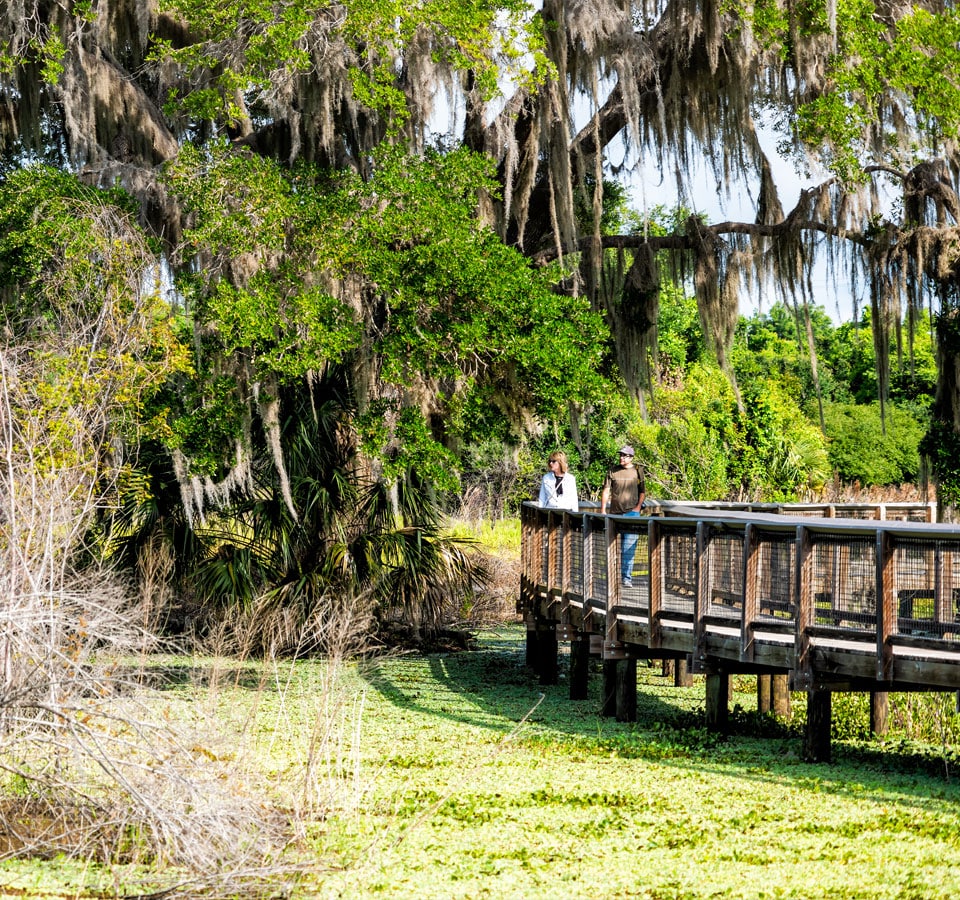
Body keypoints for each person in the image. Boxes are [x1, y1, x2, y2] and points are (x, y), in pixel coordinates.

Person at [600, 444, 646, 587]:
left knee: (628, 548)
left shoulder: (638, 471)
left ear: (631, 457)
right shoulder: (612, 471)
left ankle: (626, 578)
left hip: (632, 513)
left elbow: (642, 491)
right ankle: (611, 577)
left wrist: (638, 507)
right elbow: (606, 490)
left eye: (625, 455)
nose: (621, 457)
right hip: (614, 514)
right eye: (620, 455)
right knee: (611, 547)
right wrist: (603, 509)